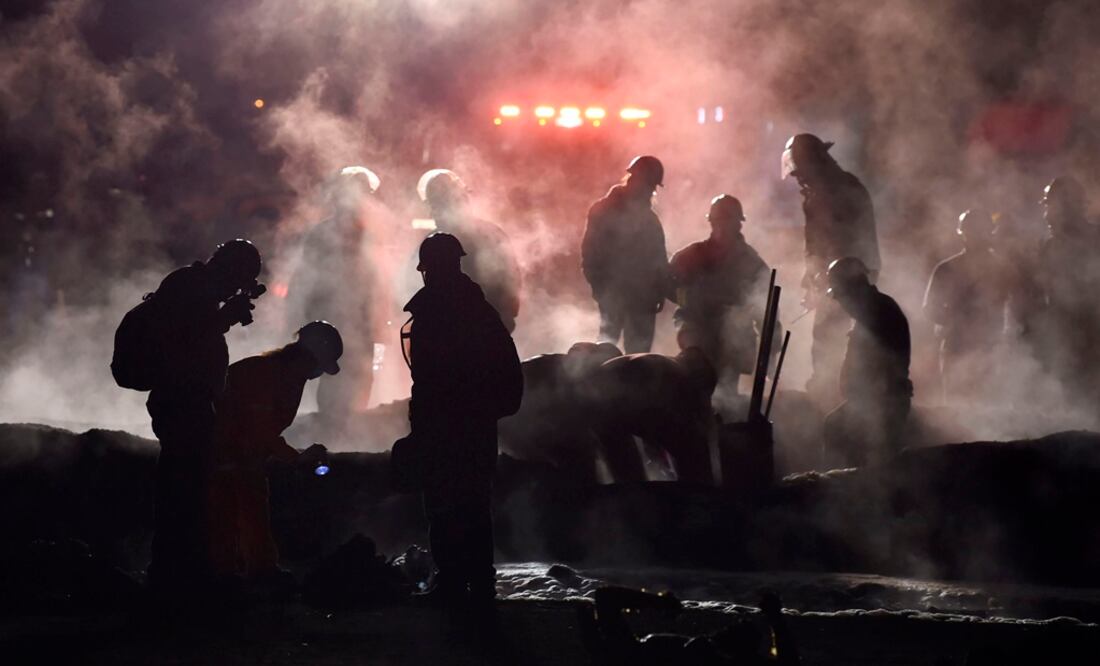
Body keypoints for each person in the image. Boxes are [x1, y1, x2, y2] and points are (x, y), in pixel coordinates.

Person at [400, 232, 523, 606]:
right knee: (472, 503)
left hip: (444, 424)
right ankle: (479, 581)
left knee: (443, 503)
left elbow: (429, 379)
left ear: (427, 268)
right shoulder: (480, 311)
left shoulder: (433, 312)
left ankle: (453, 580)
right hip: (475, 425)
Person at [143, 239, 265, 599]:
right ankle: (176, 578)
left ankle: (182, 574)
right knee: (182, 493)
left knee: (190, 492)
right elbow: (186, 340)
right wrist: (226, 317)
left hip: (190, 403)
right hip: (182, 403)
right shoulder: (190, 287)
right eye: (240, 278)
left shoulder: (195, 287)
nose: (236, 288)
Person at [207, 321, 340, 586]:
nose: (317, 374)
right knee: (228, 512)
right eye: (319, 365)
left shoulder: (288, 376)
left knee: (251, 503)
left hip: (240, 455)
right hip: (220, 453)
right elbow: (259, 429)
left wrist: (295, 456)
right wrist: (296, 458)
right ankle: (227, 579)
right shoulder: (264, 374)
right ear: (309, 356)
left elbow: (261, 433)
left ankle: (254, 571)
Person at [782, 134, 880, 407]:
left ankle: (837, 400)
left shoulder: (841, 191)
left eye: (799, 170)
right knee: (828, 339)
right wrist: (811, 276)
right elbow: (816, 243)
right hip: (835, 279)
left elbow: (845, 242)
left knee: (838, 340)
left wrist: (831, 279)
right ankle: (830, 395)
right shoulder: (821, 192)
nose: (796, 178)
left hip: (850, 280)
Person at [289, 166, 384, 423]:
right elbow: (307, 279)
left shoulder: (369, 235)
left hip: (358, 325)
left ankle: (346, 433)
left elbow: (377, 283)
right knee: (333, 383)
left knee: (359, 382)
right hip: (331, 322)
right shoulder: (323, 234)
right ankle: (334, 435)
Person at [669, 195, 778, 394]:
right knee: (696, 388)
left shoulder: (751, 263)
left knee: (726, 396)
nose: (722, 228)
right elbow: (669, 283)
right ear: (711, 222)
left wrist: (770, 350)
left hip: (733, 338)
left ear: (738, 225)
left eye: (727, 222)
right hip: (698, 331)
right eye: (718, 222)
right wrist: (687, 301)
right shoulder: (691, 256)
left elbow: (766, 310)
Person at [821, 257, 911, 468]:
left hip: (881, 404)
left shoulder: (879, 313)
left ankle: (838, 493)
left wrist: (862, 395)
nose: (841, 304)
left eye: (841, 296)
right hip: (872, 401)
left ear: (852, 288)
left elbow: (878, 367)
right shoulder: (874, 310)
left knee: (836, 429)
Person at [578, 586, 800, 665]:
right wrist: (776, 618)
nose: (731, 625)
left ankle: (662, 603)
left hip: (629, 655)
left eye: (737, 629)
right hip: (629, 652)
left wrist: (660, 603)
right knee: (604, 600)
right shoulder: (716, 651)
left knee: (604, 599)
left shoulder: (716, 657)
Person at [582, 155, 670, 353]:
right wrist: (600, 287)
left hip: (642, 299)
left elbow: (658, 259)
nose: (650, 190)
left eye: (651, 185)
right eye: (648, 184)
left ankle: (630, 384)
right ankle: (601, 384)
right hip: (613, 294)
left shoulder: (650, 220)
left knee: (638, 357)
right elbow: (590, 254)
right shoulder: (603, 211)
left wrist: (659, 290)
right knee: (606, 349)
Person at [417, 169, 522, 332]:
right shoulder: (492, 234)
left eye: (438, 203)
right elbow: (512, 281)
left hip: (470, 330)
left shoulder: (432, 242)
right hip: (483, 329)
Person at [922, 209, 1008, 402]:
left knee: (991, 405)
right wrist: (958, 321)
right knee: (958, 404)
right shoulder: (946, 269)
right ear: (963, 234)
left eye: (982, 230)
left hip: (990, 347)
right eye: (972, 231)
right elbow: (929, 308)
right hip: (957, 346)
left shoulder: (1001, 268)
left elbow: (1013, 308)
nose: (977, 236)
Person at [1033, 176, 1100, 402]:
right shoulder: (1048, 246)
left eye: (1052, 205)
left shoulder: (1095, 239)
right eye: (1047, 205)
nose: (1047, 214)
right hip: (1064, 337)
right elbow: (1041, 294)